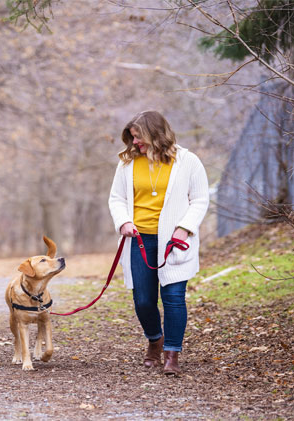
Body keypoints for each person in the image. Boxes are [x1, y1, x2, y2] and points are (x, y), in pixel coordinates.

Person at [108, 110, 209, 375]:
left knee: (174, 298)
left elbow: (200, 199)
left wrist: (184, 229)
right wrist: (123, 221)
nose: (135, 143)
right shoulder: (127, 163)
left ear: (155, 133)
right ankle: (155, 339)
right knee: (143, 300)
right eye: (132, 137)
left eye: (138, 137)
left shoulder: (188, 161)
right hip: (139, 240)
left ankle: (172, 355)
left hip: (173, 241)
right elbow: (116, 198)